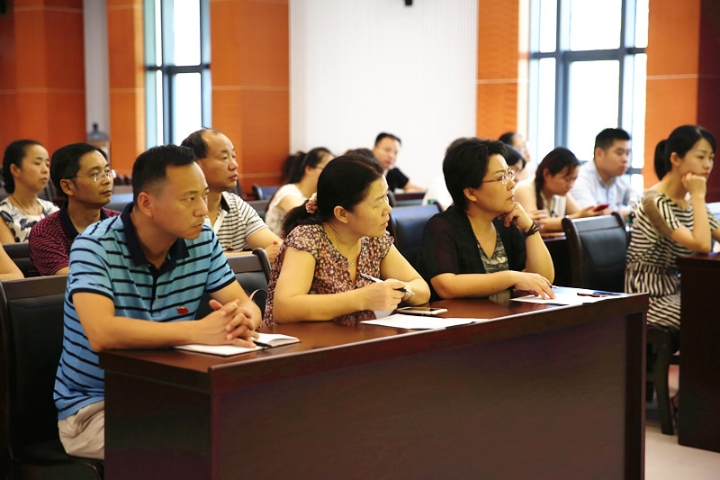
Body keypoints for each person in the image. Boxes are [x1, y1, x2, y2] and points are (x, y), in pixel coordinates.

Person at [53, 145, 262, 460]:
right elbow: (101, 333)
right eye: (188, 199)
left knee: (261, 429)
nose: (202, 210)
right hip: (98, 407)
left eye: (204, 196)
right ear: (146, 203)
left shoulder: (202, 239)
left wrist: (243, 319)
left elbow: (245, 304)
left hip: (174, 393)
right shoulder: (94, 245)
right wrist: (200, 331)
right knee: (200, 449)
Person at [263, 155, 430, 326]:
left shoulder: (374, 239)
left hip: (357, 338)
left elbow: (422, 288)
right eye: (377, 203)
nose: (388, 209)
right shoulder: (308, 238)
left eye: (386, 196)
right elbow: (285, 308)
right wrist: (363, 298)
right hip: (305, 340)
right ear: (342, 213)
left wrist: (403, 290)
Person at [417, 138, 554, 301]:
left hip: (503, 314)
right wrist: (511, 277)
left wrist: (530, 229)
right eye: (501, 178)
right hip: (461, 317)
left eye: (509, 174)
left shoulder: (504, 223)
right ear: (471, 193)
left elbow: (543, 279)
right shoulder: (441, 227)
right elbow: (446, 285)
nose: (511, 184)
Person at [625, 125, 720, 352]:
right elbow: (702, 244)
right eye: (701, 157)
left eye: (711, 158)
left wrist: (695, 197)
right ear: (676, 158)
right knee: (710, 315)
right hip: (650, 297)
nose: (708, 165)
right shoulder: (654, 201)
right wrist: (698, 195)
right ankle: (697, 375)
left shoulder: (688, 200)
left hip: (679, 290)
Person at [181, 128, 282, 261]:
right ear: (196, 164)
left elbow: (277, 248)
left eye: (233, 156)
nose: (234, 165)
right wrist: (257, 257)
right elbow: (194, 262)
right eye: (224, 158)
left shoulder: (235, 205)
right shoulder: (179, 208)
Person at [28, 143, 120, 276]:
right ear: (68, 186)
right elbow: (71, 278)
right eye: (95, 174)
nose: (107, 180)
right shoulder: (45, 232)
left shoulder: (121, 223)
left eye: (107, 172)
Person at [514, 147, 603, 232]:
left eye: (574, 179)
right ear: (547, 174)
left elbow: (581, 218)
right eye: (567, 179)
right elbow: (535, 224)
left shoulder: (562, 193)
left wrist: (588, 214)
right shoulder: (525, 189)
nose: (570, 185)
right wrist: (579, 216)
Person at [265, 147, 334, 237]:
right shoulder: (288, 193)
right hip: (280, 244)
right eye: (325, 169)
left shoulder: (319, 194)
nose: (329, 174)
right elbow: (305, 219)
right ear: (309, 169)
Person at [0, 139, 59, 243]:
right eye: (37, 163)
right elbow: (9, 252)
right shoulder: (3, 214)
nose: (45, 170)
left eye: (47, 164)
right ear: (15, 169)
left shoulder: (53, 210)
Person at [569, 128, 636, 217]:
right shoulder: (579, 179)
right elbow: (591, 215)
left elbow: (639, 202)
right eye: (619, 153)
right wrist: (632, 214)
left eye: (627, 154)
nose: (625, 159)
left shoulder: (619, 179)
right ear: (599, 153)